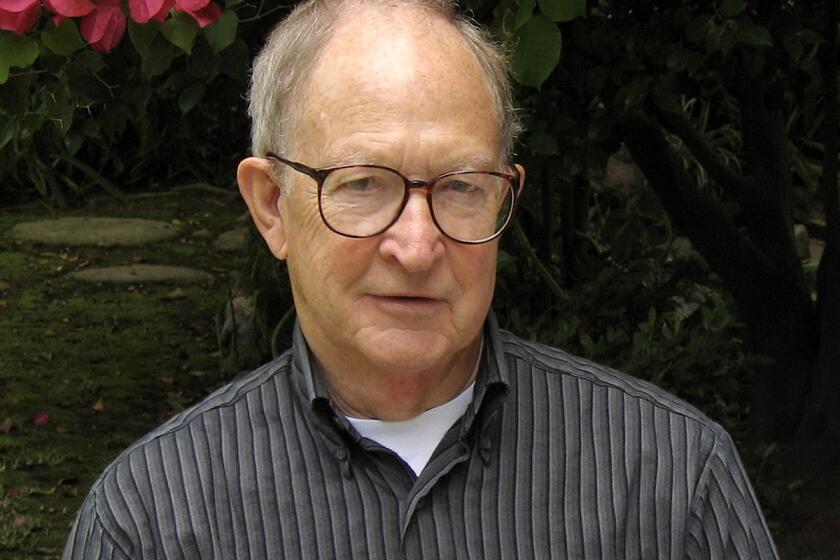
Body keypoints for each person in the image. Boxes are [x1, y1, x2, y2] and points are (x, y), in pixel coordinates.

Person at [63, 0, 779, 558]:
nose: (416, 243)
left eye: (462, 186)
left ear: (506, 195)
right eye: (364, 184)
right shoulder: (154, 519)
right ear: (272, 206)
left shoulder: (669, 483)